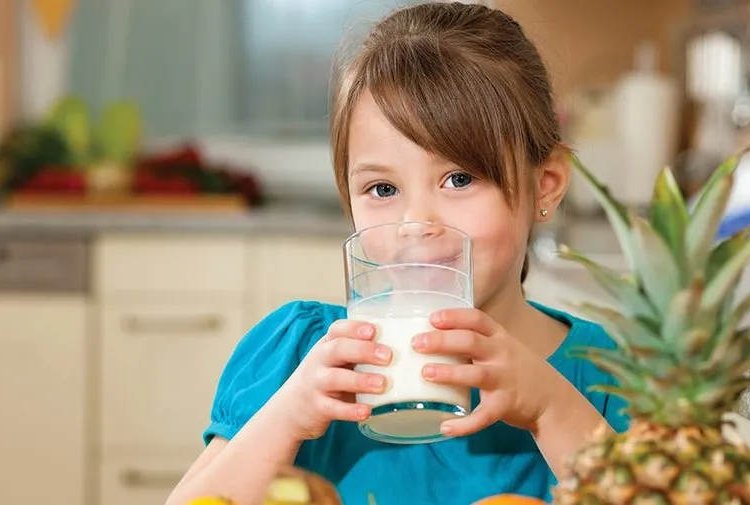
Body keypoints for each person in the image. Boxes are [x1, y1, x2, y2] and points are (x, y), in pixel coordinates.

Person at [166, 3, 629, 505]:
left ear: (547, 184)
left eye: (459, 179)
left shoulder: (607, 373)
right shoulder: (298, 359)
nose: (416, 225)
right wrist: (288, 416)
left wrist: (551, 408)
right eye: (383, 189)